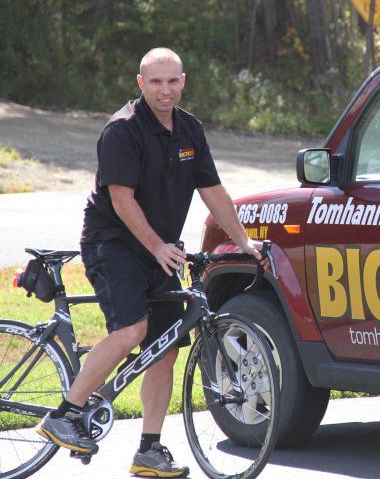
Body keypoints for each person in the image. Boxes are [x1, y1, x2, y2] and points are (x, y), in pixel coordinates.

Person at [35, 48, 262, 478]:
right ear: (141, 84)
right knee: (132, 330)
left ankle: (149, 450)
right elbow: (121, 202)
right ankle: (64, 413)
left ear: (183, 81)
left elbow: (213, 190)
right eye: (155, 82)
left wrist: (244, 241)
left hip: (160, 248)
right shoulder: (122, 130)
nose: (165, 90)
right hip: (113, 242)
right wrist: (158, 247)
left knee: (166, 347)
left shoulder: (189, 128)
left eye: (172, 81)